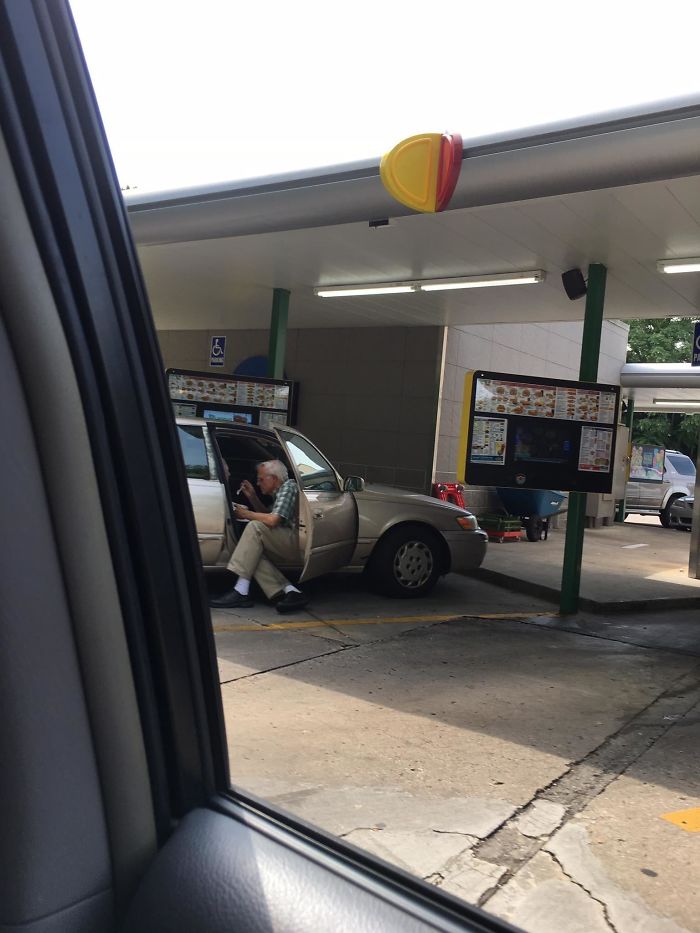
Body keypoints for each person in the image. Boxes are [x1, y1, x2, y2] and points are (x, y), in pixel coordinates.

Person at [209, 459, 310, 613]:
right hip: (285, 540)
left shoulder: (289, 487)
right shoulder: (279, 492)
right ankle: (291, 591)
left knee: (255, 527)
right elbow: (269, 515)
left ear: (274, 479)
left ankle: (241, 590)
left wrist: (245, 513)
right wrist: (253, 497)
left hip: (297, 541)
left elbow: (273, 520)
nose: (258, 482)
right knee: (252, 552)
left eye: (261, 479)